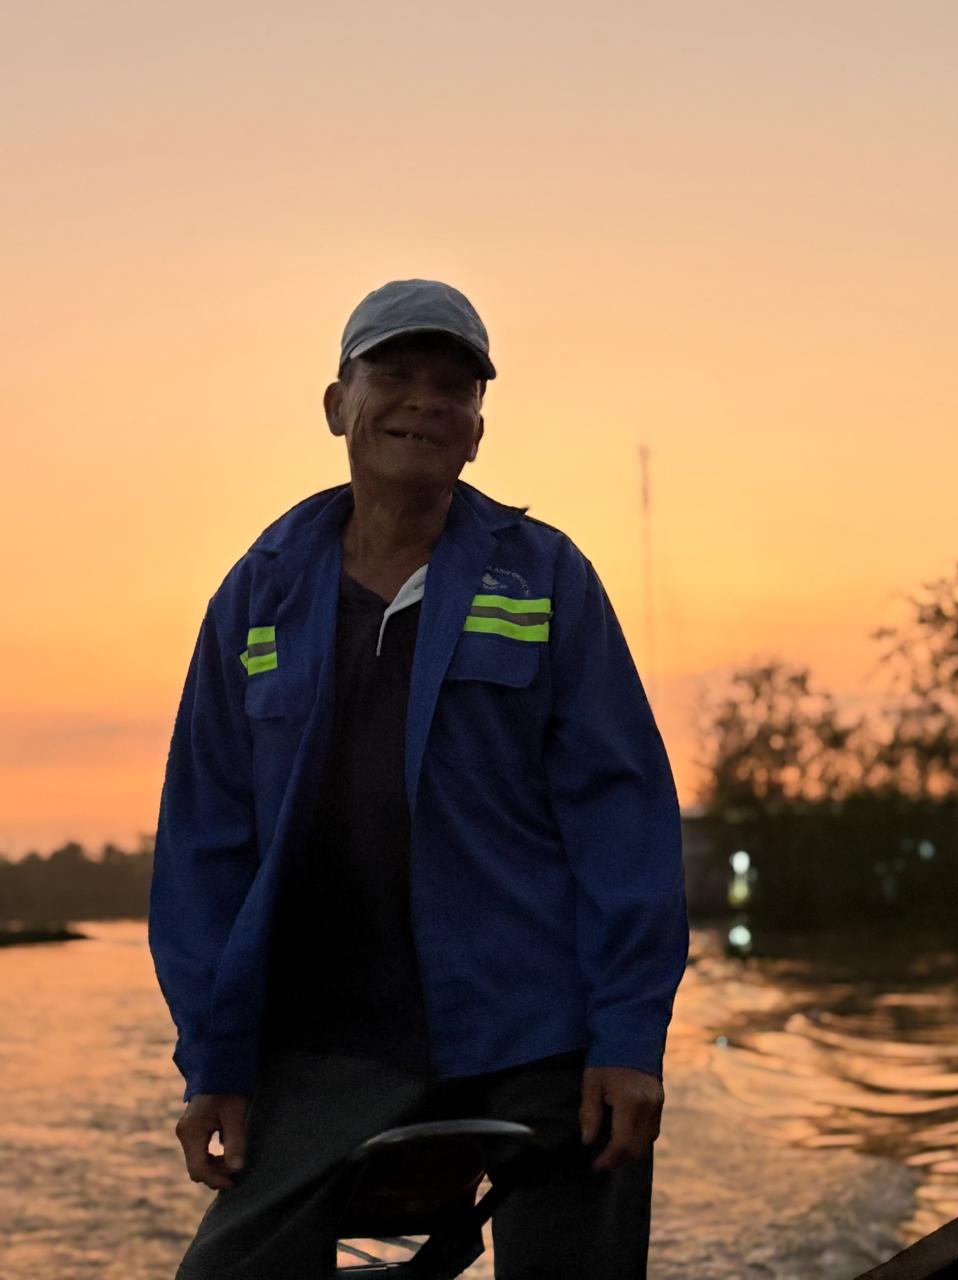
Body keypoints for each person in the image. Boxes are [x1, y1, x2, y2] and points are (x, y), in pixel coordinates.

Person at [149, 278, 689, 1279]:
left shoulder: (545, 576)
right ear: (335, 406)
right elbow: (204, 840)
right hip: (333, 1037)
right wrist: (214, 1061)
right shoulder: (257, 593)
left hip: (538, 1029)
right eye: (394, 375)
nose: (425, 402)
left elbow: (624, 816)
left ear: (479, 428)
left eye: (454, 386)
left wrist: (628, 1036)